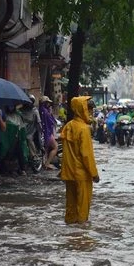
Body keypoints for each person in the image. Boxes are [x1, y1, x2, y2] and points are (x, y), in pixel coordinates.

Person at [59, 96, 100, 225]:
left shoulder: (68, 126)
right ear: (82, 110)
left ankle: (71, 234)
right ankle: (81, 237)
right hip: (82, 174)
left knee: (71, 207)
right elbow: (86, 155)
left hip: (69, 173)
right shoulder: (84, 129)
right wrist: (94, 173)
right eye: (89, 110)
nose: (91, 113)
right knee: (82, 208)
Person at [39, 96, 58, 170]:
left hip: (43, 132)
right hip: (47, 132)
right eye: (48, 103)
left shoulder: (40, 110)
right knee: (55, 147)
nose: (49, 104)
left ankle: (45, 163)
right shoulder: (46, 112)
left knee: (46, 149)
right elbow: (51, 122)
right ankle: (47, 163)